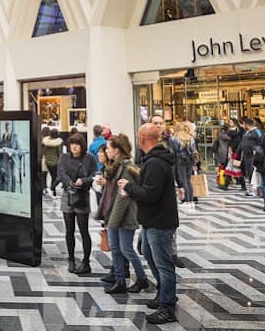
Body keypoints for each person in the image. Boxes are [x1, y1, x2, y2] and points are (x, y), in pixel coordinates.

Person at [124, 124, 179, 325]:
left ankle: (168, 306)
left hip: (160, 222)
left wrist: (129, 187)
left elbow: (151, 193)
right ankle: (164, 294)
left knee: (164, 264)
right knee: (148, 254)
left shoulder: (156, 162)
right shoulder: (154, 160)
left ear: (142, 139)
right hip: (152, 220)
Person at [98, 134, 150, 297]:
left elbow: (123, 198)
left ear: (118, 150)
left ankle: (142, 278)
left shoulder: (127, 168)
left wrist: (112, 221)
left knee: (126, 248)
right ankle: (119, 279)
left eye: (109, 148)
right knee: (115, 248)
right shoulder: (116, 166)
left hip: (125, 216)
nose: (106, 151)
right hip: (113, 214)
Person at [57, 132, 96, 275]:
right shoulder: (64, 157)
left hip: (82, 196)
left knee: (84, 230)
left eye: (77, 144)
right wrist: (70, 183)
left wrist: (83, 181)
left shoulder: (89, 158)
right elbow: (61, 173)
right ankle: (71, 258)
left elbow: (93, 176)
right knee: (69, 230)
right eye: (72, 144)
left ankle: (86, 261)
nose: (74, 146)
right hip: (68, 195)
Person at [172, 122, 198, 207]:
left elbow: (175, 150)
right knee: (188, 180)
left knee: (184, 181)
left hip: (181, 161)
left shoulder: (176, 138)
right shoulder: (191, 138)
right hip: (190, 160)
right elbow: (194, 150)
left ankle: (187, 200)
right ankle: (191, 201)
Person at [239, 117, 261, 196]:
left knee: (254, 173)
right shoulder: (246, 132)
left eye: (244, 124)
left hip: (253, 156)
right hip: (246, 155)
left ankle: (258, 190)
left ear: (247, 124)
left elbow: (261, 141)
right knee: (248, 173)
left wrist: (257, 150)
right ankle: (251, 189)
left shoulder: (257, 131)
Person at [42, 128, 63, 197]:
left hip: (47, 161)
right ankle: (52, 190)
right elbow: (59, 153)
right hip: (55, 162)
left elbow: (44, 151)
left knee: (52, 176)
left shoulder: (46, 142)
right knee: (56, 177)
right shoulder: (58, 143)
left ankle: (52, 191)